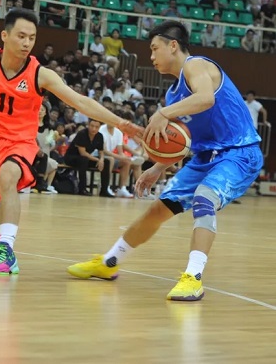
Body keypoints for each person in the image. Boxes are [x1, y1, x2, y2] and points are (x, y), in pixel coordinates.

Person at [0, 9, 141, 275]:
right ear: (5, 36)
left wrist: (120, 122)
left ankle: (6, 251)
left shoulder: (39, 74)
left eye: (32, 37)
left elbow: (80, 101)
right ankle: (1, 218)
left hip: (19, 143)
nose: (27, 43)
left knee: (8, 176)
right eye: (21, 36)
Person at [68, 20, 263, 302]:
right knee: (157, 210)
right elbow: (187, 142)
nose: (151, 56)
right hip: (204, 157)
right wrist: (157, 168)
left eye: (154, 48)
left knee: (204, 198)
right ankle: (109, 262)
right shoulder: (173, 95)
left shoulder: (196, 65)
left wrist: (162, 114)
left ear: (173, 45)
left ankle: (193, 278)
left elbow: (206, 98)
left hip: (240, 152)